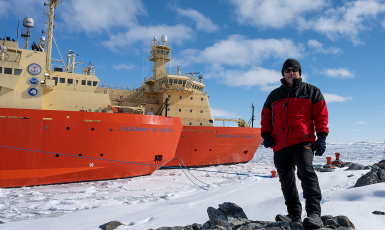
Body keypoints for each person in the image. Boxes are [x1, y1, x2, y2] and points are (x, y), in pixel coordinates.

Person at [260, 59, 329, 228]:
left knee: (306, 172)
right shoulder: (274, 95)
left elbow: (321, 115)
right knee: (286, 178)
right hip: (280, 143)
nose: (291, 72)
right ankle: (293, 214)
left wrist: (321, 136)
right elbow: (266, 116)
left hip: (303, 141)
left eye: (295, 69)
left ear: (300, 72)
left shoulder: (311, 91)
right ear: (283, 73)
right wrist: (266, 134)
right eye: (287, 70)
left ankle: (314, 214)